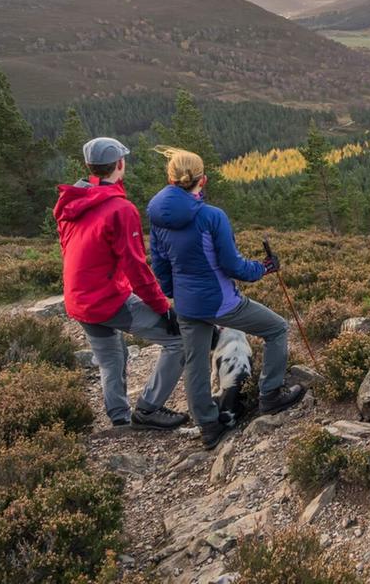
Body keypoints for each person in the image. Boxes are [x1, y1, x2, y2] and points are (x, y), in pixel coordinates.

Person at [147, 147, 305, 449]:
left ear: (170, 178)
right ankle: (270, 395)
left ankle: (208, 427)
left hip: (187, 304)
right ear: (202, 180)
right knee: (277, 328)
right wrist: (265, 268)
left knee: (195, 362)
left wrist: (174, 294)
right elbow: (233, 266)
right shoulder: (212, 217)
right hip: (221, 302)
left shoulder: (156, 215)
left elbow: (160, 264)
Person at [54, 137, 188, 430]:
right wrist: (163, 308)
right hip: (105, 299)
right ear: (120, 164)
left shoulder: (71, 201)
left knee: (112, 357)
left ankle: (119, 419)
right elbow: (136, 267)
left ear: (91, 167)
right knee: (178, 341)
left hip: (77, 299)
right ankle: (149, 410)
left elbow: (68, 247)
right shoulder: (120, 209)